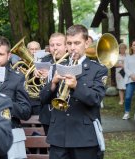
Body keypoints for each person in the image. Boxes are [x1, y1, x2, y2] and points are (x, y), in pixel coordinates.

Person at [40, 24, 107, 159]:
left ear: (87, 42)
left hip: (84, 137)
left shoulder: (98, 69)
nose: (72, 48)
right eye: (69, 43)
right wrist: (53, 83)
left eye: (77, 43)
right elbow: (43, 99)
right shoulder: (57, 66)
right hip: (58, 136)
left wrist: (77, 86)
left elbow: (95, 99)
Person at [0, 36, 31, 159]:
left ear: (8, 55)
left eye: (1, 54)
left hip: (9, 134)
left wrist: (5, 101)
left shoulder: (17, 78)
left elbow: (26, 112)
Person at [38, 32, 67, 135]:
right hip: (48, 114)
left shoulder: (71, 61)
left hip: (66, 113)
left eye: (58, 45)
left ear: (66, 46)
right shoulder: (44, 61)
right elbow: (38, 92)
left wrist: (51, 73)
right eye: (52, 45)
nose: (55, 48)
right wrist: (36, 75)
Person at [122, 39, 135, 120]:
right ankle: (127, 112)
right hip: (130, 80)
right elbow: (126, 68)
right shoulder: (128, 57)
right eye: (134, 45)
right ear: (131, 47)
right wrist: (132, 75)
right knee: (128, 97)